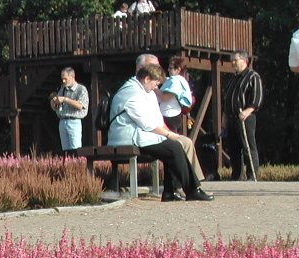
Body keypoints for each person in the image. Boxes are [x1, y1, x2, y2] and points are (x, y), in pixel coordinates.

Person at [108, 57, 213, 202]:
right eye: (155, 83)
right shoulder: (130, 93)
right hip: (126, 137)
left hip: (140, 134)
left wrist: (169, 135)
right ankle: (192, 190)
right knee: (173, 148)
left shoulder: (144, 90)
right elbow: (147, 123)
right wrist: (170, 135)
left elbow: (156, 118)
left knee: (172, 147)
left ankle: (170, 192)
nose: (155, 87)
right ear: (146, 79)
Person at [222, 50, 263, 180]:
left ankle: (252, 176)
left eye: (235, 60)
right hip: (231, 117)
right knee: (234, 149)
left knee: (248, 147)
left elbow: (257, 98)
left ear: (244, 60)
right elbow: (227, 98)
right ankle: (237, 177)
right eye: (232, 60)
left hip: (245, 117)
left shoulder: (253, 76)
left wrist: (247, 111)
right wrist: (224, 115)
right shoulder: (233, 78)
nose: (232, 63)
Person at [48, 67, 89, 156]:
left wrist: (65, 99)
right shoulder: (62, 90)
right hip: (62, 121)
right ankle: (68, 168)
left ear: (72, 77)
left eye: (65, 79)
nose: (63, 81)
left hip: (74, 121)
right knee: (65, 153)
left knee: (76, 150)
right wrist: (53, 102)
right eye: (62, 79)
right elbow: (56, 107)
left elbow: (81, 105)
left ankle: (77, 168)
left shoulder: (81, 89)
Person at [157, 55, 193, 135]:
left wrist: (154, 88)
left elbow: (165, 98)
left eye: (170, 68)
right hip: (171, 115)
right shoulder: (175, 80)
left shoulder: (175, 82)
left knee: (170, 139)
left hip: (170, 116)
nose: (168, 70)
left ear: (178, 69)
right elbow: (163, 79)